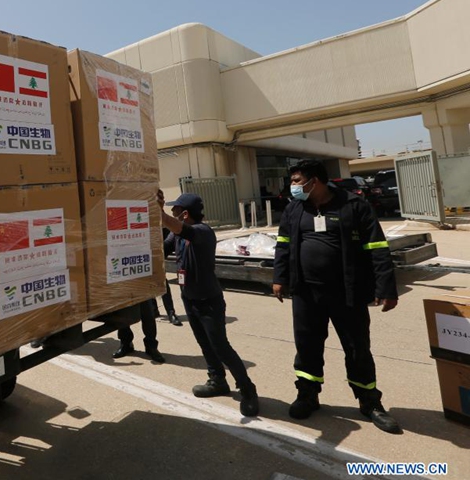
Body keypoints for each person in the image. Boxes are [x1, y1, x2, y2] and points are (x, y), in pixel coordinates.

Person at [273, 159, 401, 434]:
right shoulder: (295, 209)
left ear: (314, 181)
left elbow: (377, 248)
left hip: (347, 293)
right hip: (306, 292)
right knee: (306, 345)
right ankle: (308, 395)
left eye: (296, 181)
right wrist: (279, 278)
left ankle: (370, 402)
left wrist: (386, 289)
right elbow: (283, 244)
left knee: (356, 348)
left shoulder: (353, 206)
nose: (293, 187)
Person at [158, 190, 259, 417]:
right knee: (204, 344)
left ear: (184, 214)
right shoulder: (176, 236)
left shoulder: (202, 232)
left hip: (208, 301)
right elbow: (161, 247)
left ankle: (248, 390)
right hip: (189, 298)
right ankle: (217, 381)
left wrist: (160, 213)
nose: (172, 213)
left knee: (220, 346)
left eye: (175, 211)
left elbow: (181, 230)